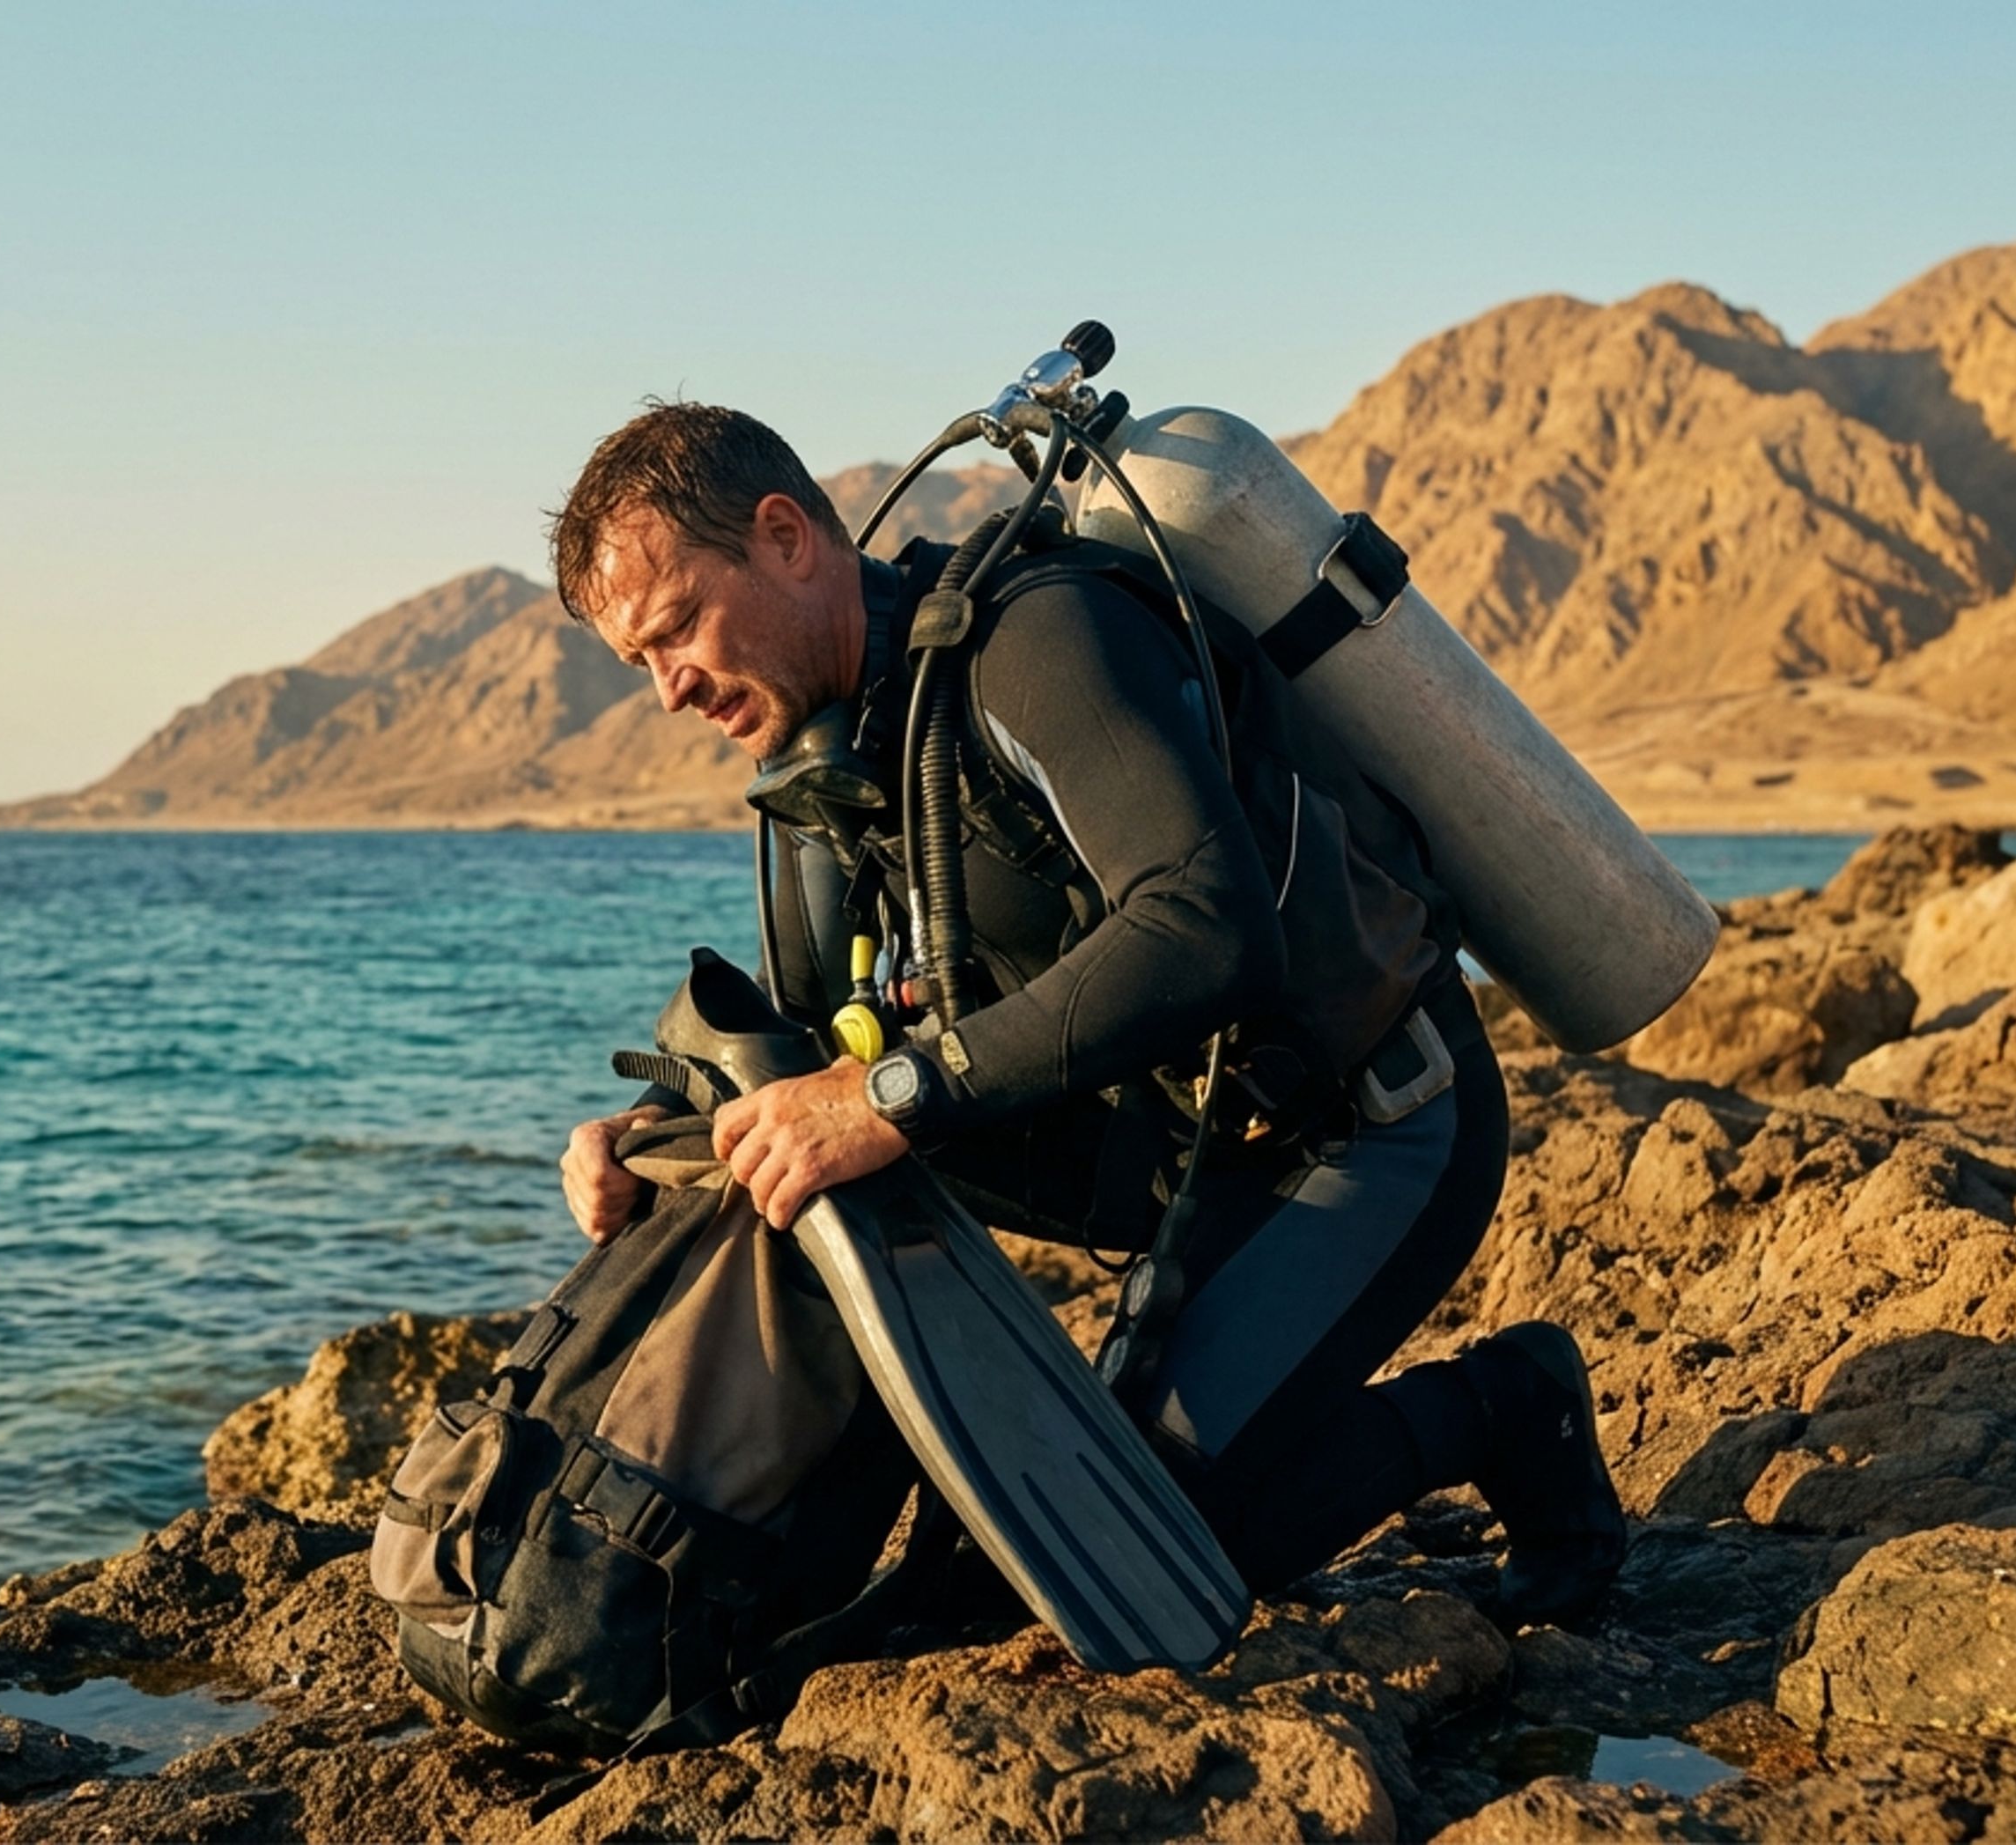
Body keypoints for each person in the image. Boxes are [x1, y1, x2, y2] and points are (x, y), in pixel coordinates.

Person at [545, 401, 1627, 1624]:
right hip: (1183, 1150)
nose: (669, 690)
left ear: (787, 537)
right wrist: (642, 1133)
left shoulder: (1036, 643)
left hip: (1375, 1122)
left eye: (678, 628)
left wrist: (893, 1093)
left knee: (1139, 1546)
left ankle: (1502, 1404)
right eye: (640, 661)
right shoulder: (829, 766)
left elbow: (1207, 924)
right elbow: (785, 1031)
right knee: (1008, 1524)